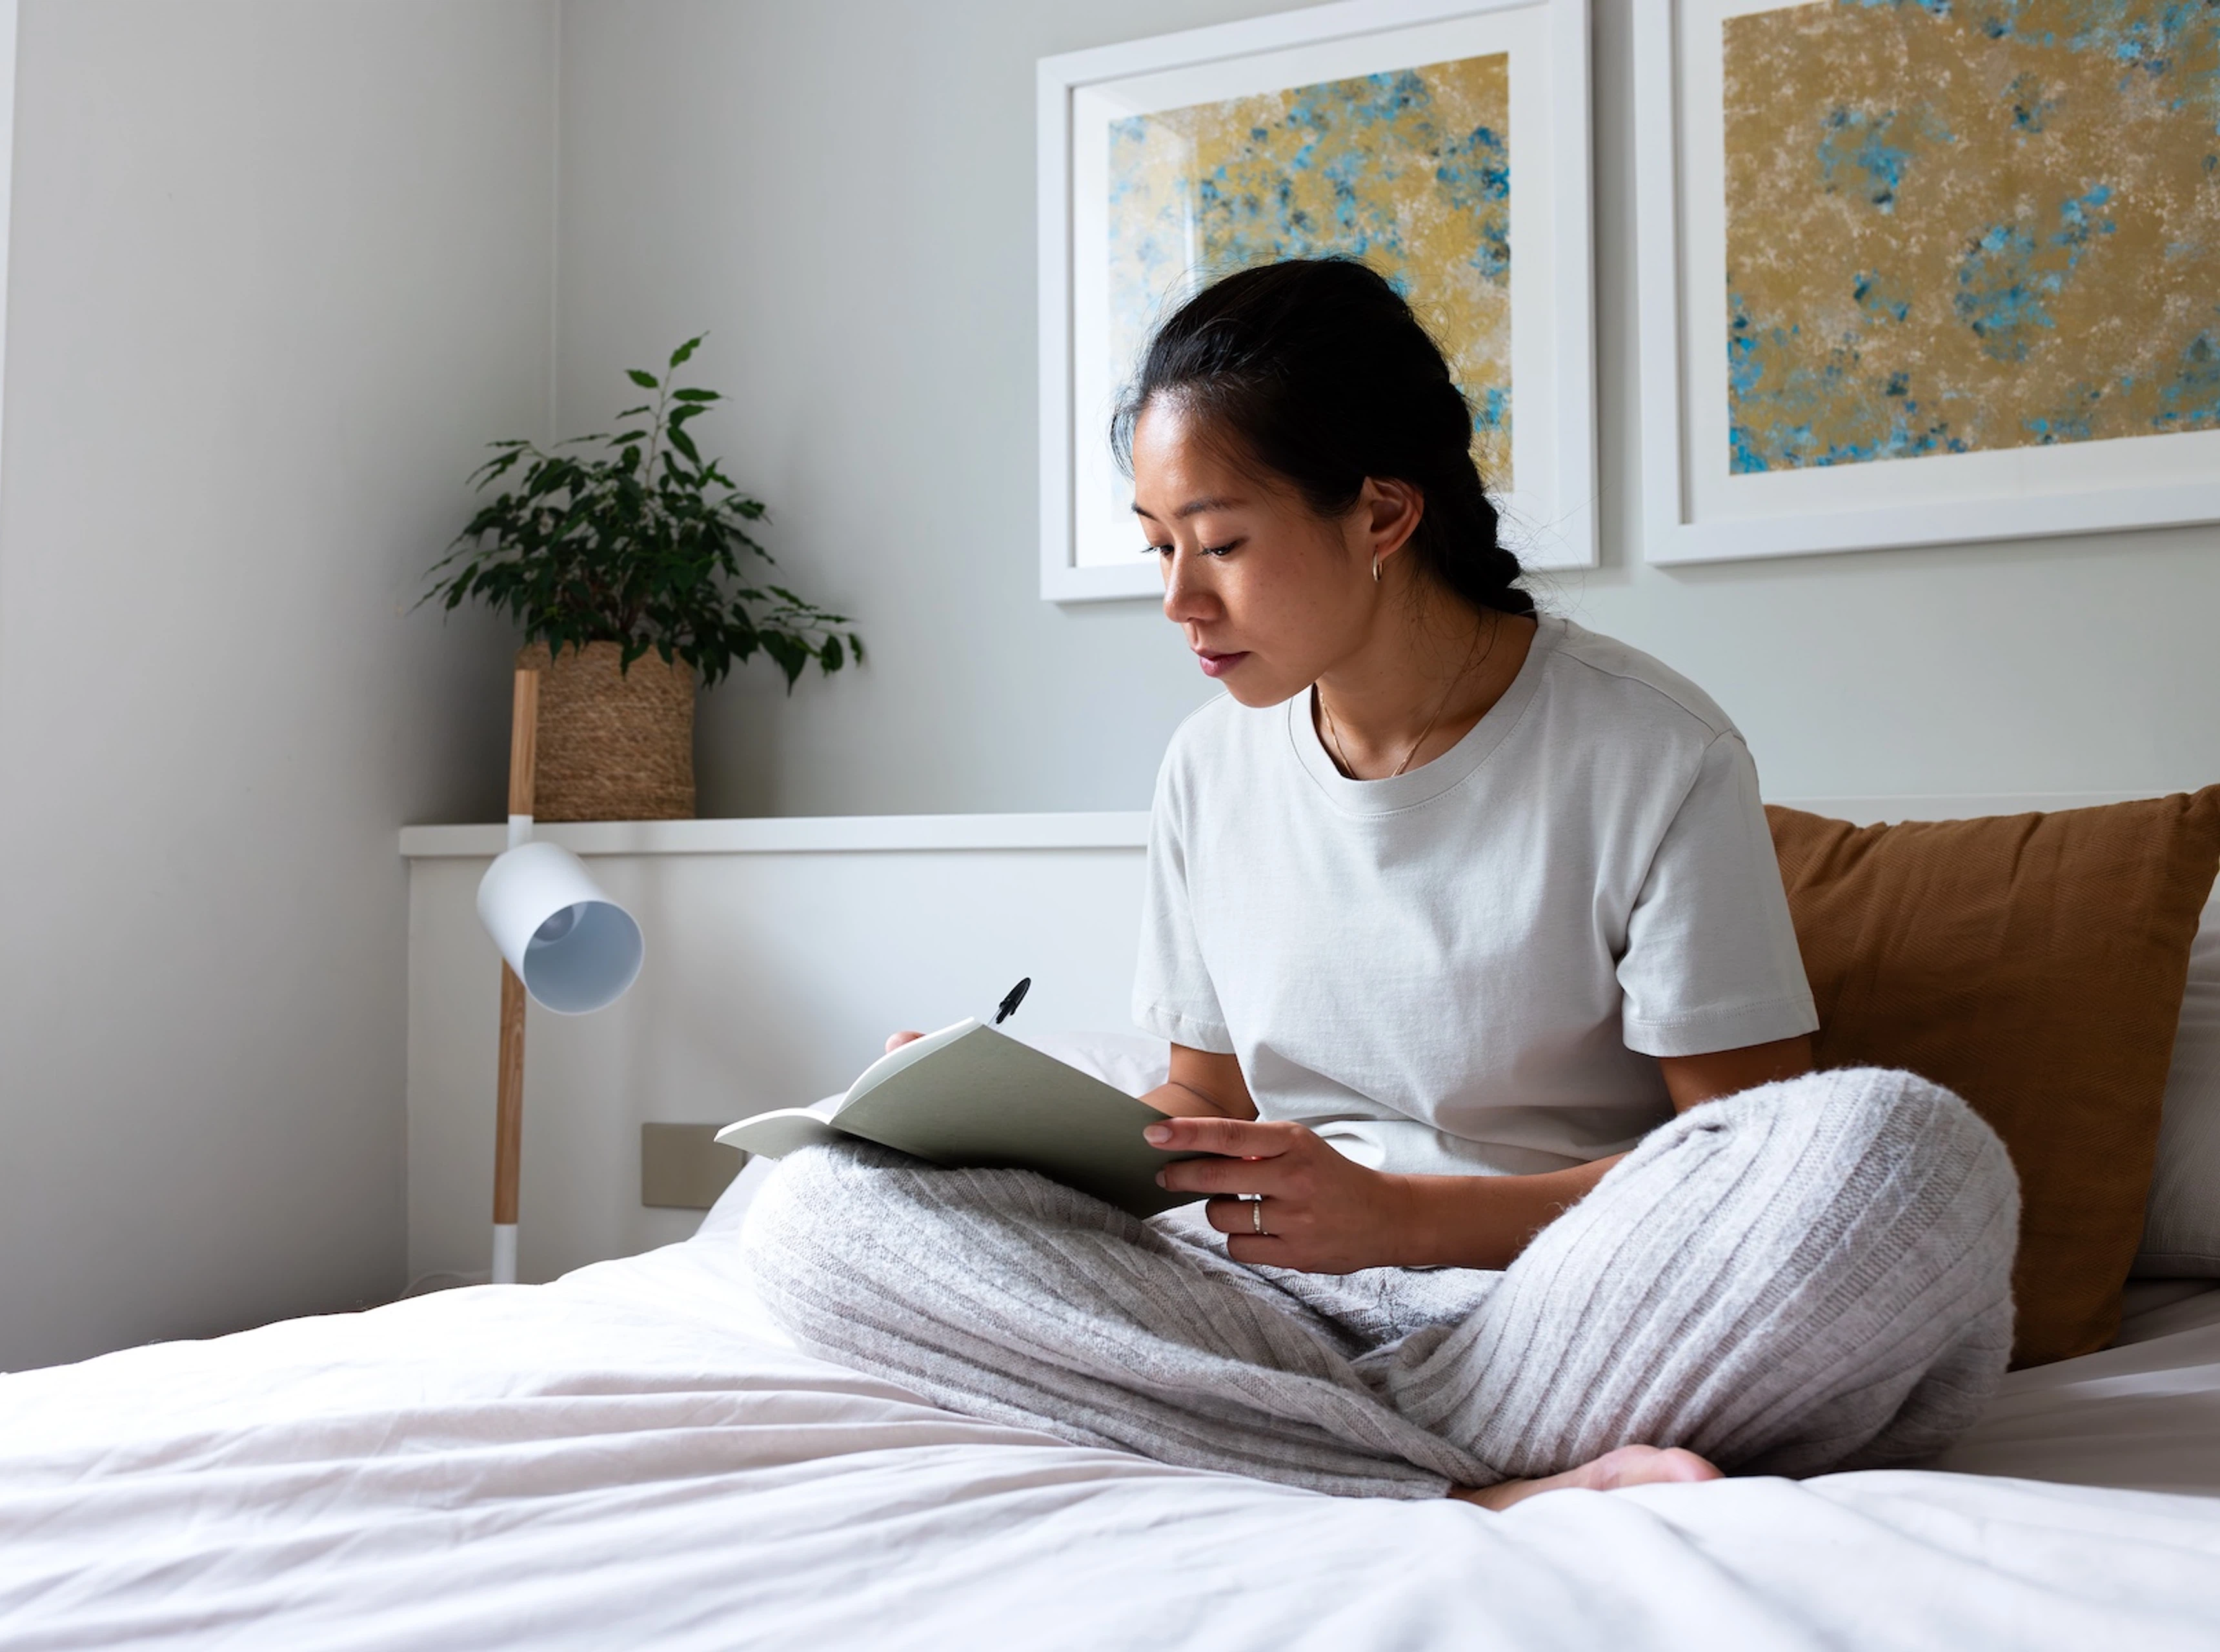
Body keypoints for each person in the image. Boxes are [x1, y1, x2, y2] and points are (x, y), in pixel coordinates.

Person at [745, 258, 2017, 1509]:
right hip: (1272, 1296)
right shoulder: (1209, 765)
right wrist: (981, 1118)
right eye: (1158, 550)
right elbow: (1202, 1102)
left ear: (1384, 515)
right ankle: (1476, 1475)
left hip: (1560, 1300)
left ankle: (1318, 1440)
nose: (1182, 600)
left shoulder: (1654, 750)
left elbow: (1744, 1161)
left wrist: (1401, 1214)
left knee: (1901, 1150)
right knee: (819, 1208)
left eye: (1223, 544)